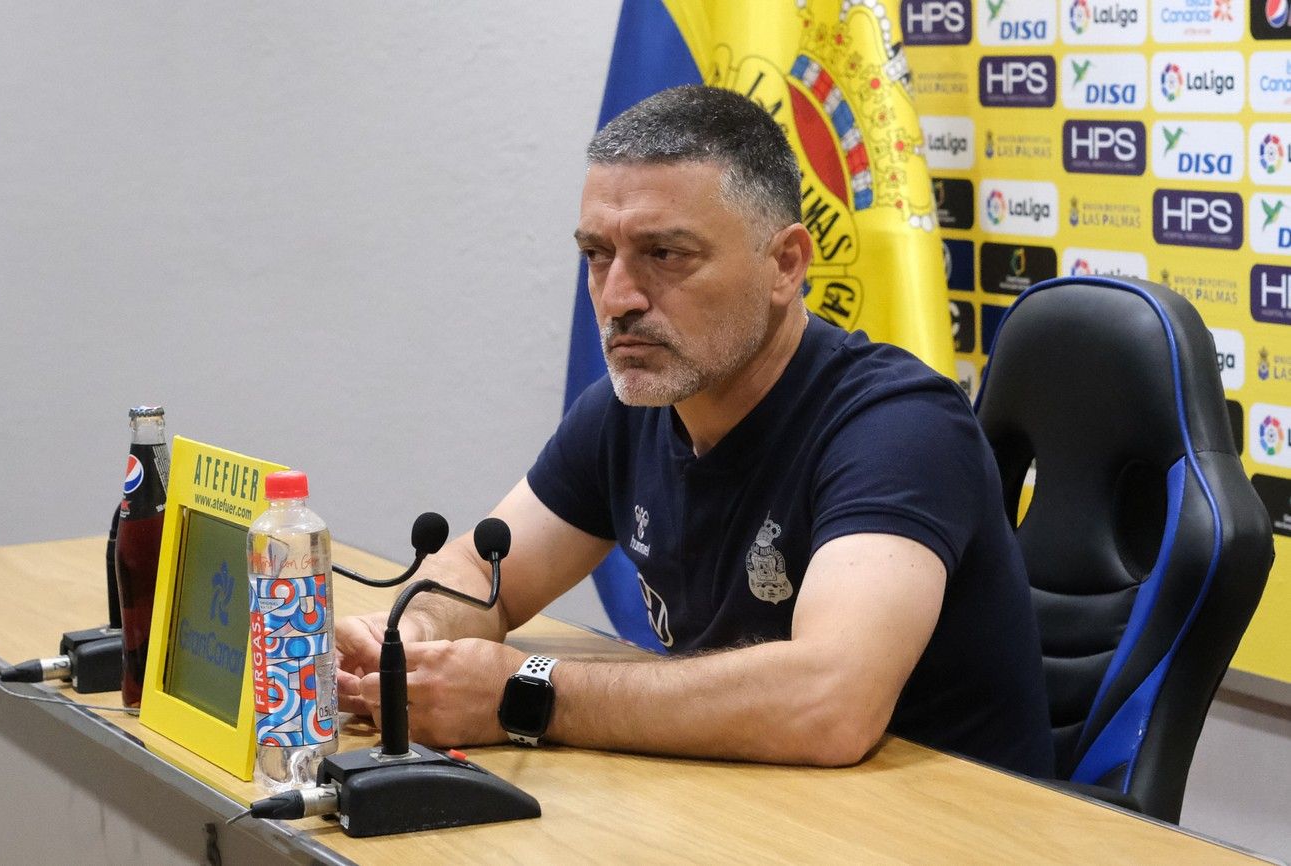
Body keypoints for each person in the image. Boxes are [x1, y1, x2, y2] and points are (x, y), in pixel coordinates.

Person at [337, 85, 1055, 776]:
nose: (617, 298)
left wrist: (523, 692)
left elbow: (830, 701)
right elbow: (477, 572)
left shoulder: (898, 427)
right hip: (755, 812)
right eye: (596, 255)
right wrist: (414, 636)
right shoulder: (628, 412)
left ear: (786, 264)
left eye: (665, 255)